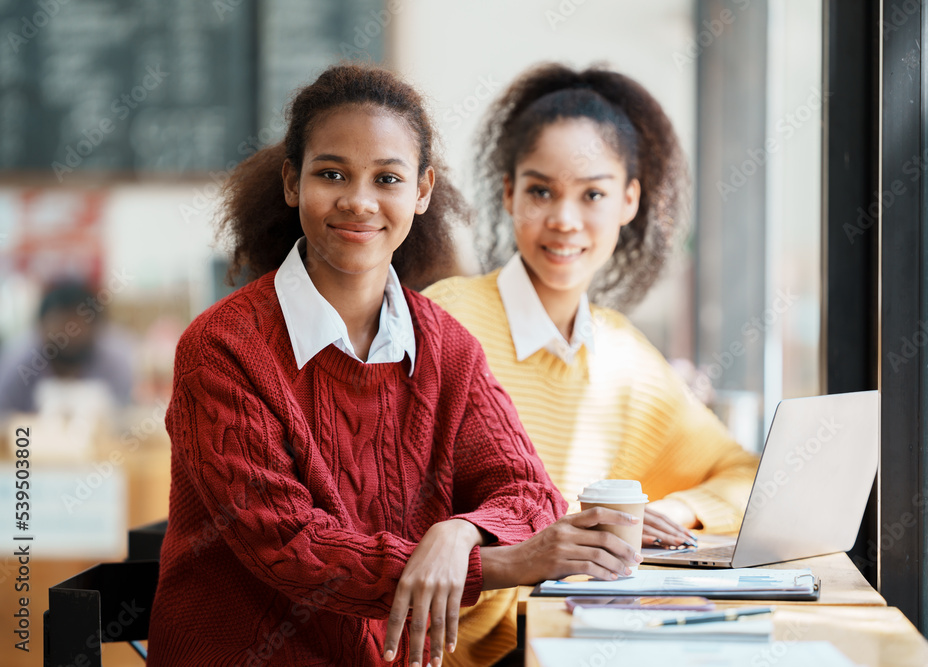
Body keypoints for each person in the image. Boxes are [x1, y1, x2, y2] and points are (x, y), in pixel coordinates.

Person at [147, 63, 644, 667]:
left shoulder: (446, 347)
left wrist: (456, 536)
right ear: (290, 181)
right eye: (332, 173)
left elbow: (528, 492)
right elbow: (292, 547)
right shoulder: (221, 349)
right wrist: (505, 562)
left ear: (422, 190)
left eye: (387, 178)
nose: (359, 201)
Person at [424, 63, 759, 545]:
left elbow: (742, 473)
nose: (564, 219)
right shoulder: (444, 322)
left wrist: (669, 512)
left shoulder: (626, 359)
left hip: (575, 621)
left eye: (593, 194)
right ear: (509, 193)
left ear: (628, 201)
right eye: (541, 191)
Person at [0, 278, 133, 418]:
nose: (71, 335)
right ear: (41, 326)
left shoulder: (115, 361)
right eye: (62, 323)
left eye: (79, 325)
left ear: (97, 327)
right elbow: (4, 414)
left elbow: (124, 415)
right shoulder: (19, 362)